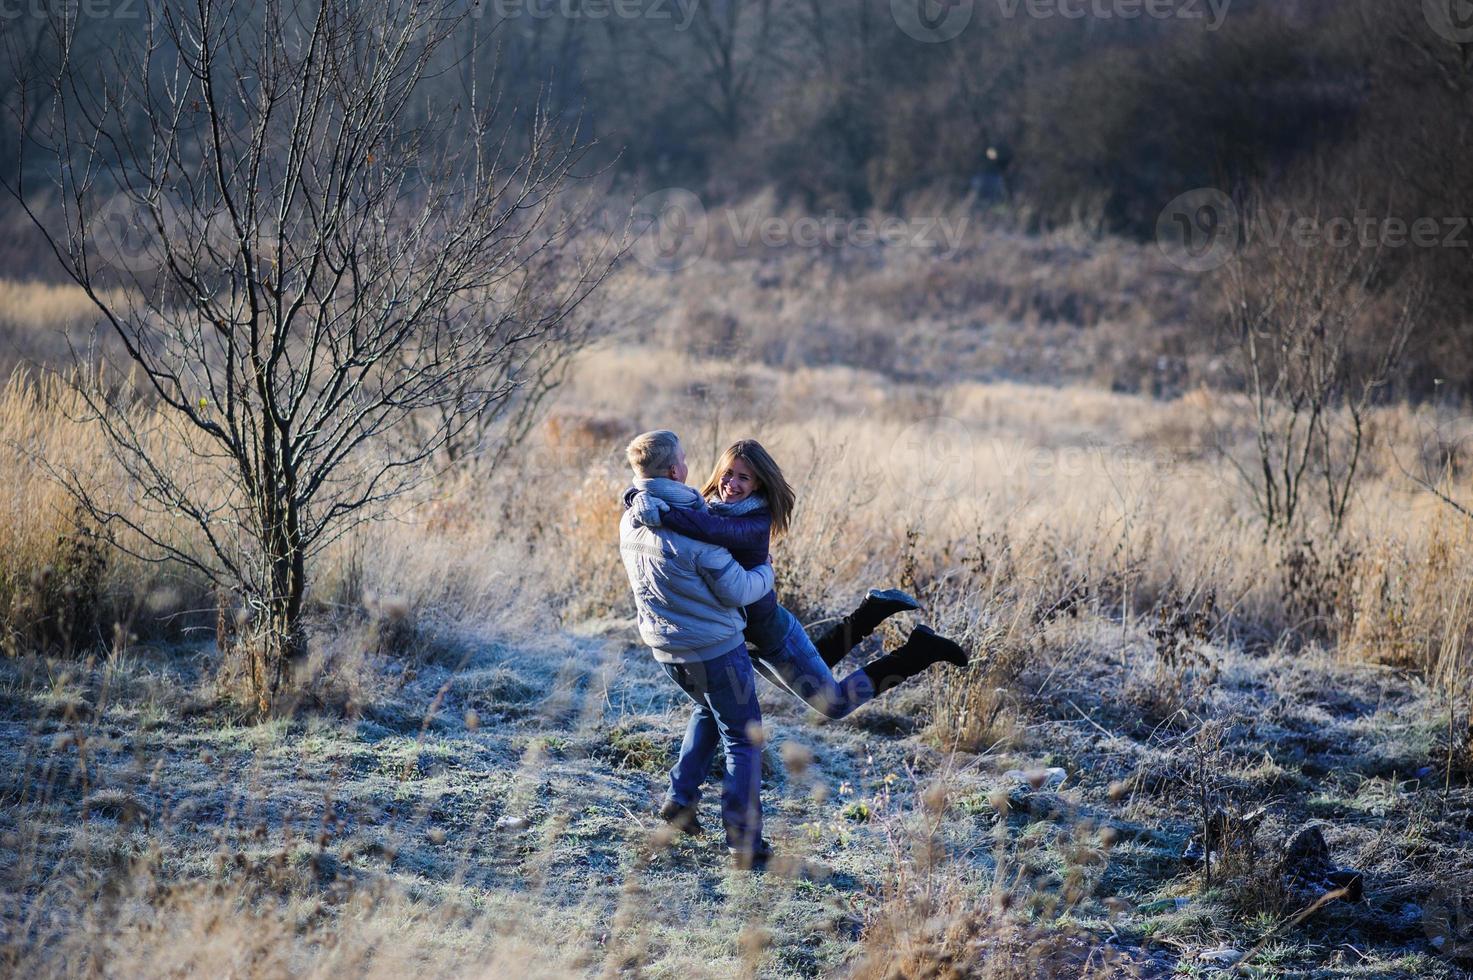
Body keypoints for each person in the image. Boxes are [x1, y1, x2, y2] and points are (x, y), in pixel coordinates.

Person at [625, 439, 969, 814]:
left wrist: (654, 510)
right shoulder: (710, 509)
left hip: (771, 632)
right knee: (740, 697)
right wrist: (637, 496)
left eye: (744, 478)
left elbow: (708, 529)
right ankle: (873, 610)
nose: (732, 483)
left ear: (759, 484)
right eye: (727, 474)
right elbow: (686, 509)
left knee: (832, 703)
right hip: (740, 639)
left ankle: (918, 651)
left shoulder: (752, 522)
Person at [618, 429, 776, 868]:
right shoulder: (696, 530)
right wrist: (767, 570)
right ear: (674, 470)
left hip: (667, 648)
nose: (691, 467)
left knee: (708, 711)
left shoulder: (633, 514)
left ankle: (679, 804)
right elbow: (740, 590)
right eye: (685, 460)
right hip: (715, 648)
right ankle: (744, 845)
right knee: (744, 739)